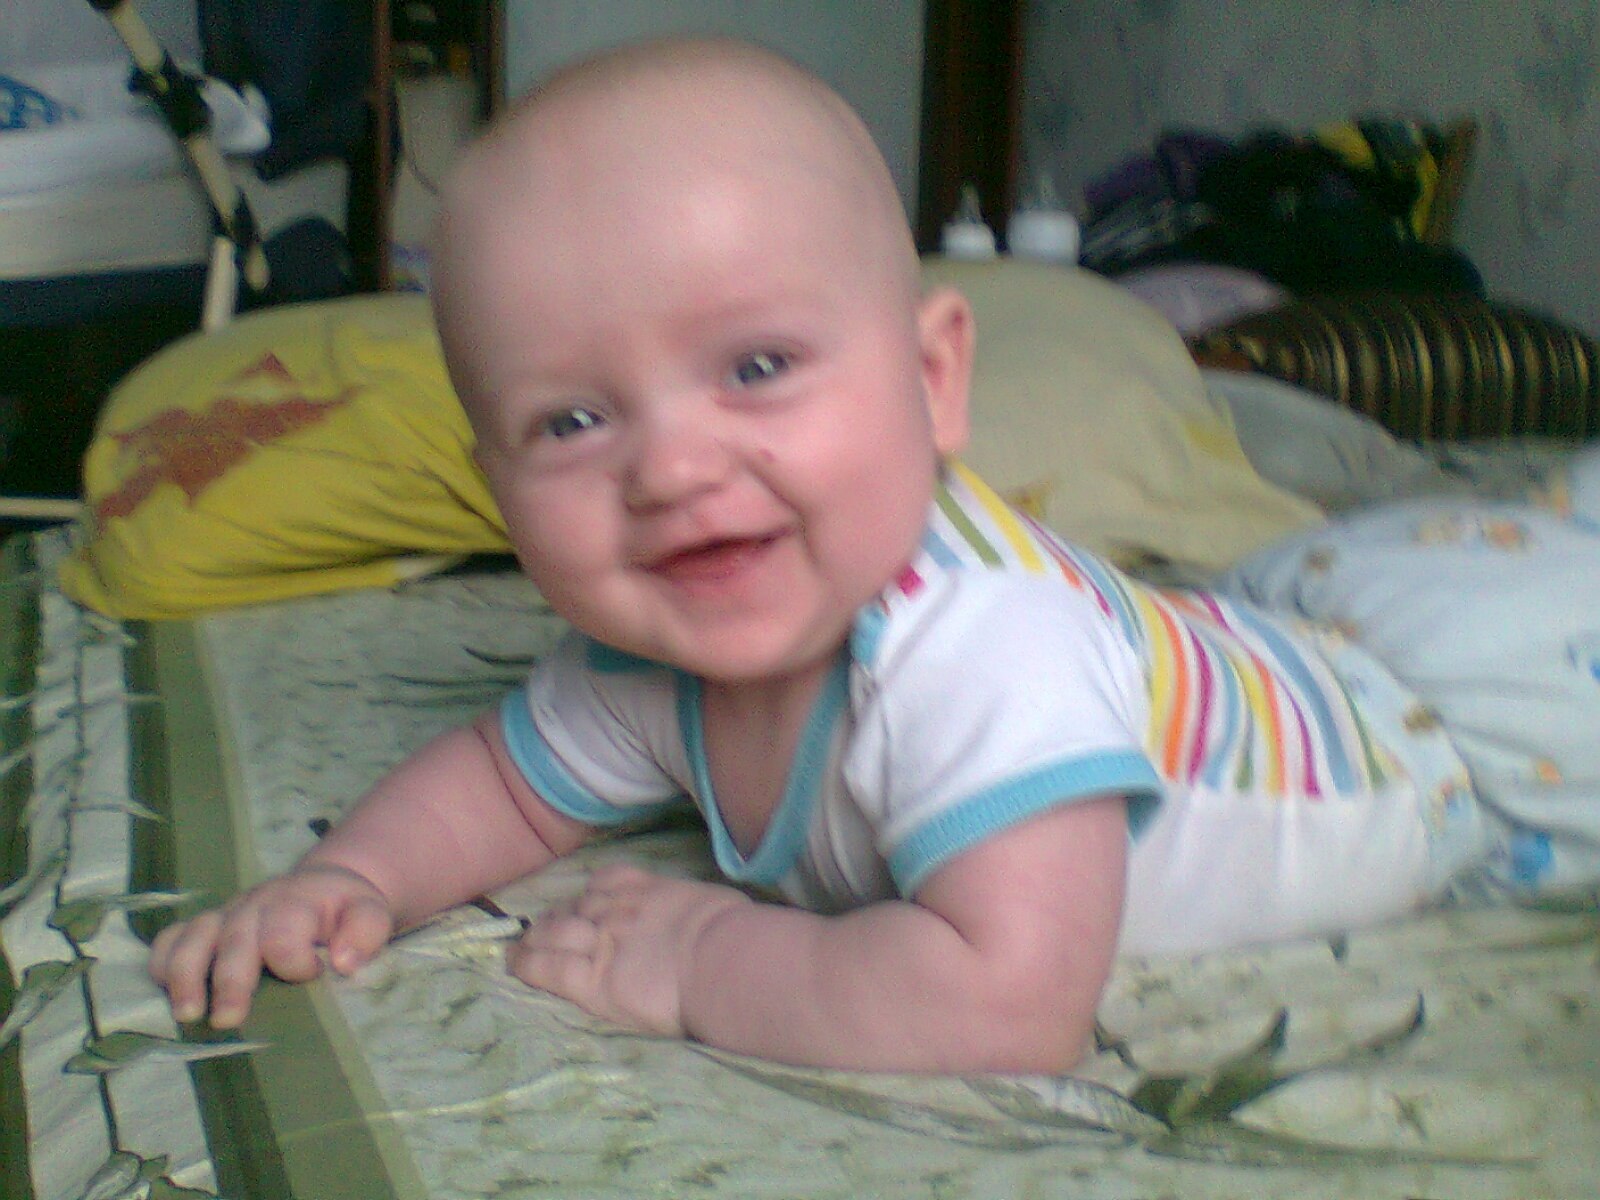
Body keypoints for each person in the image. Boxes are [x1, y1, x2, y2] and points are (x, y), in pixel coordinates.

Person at [147, 36, 1600, 1074]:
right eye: (573, 420)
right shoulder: (650, 650)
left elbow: (1010, 1004)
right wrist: (351, 876)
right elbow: (502, 782)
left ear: (933, 379)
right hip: (1259, 641)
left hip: (1430, 738)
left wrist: (704, 962)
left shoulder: (981, 648)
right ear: (501, 494)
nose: (672, 469)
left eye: (757, 365)